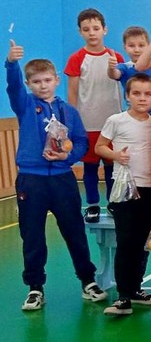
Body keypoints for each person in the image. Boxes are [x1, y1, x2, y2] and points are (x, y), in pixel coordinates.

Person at [6, 41, 107, 310]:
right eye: (36, 81)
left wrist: (68, 158)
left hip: (63, 179)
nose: (43, 86)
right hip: (32, 180)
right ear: (28, 84)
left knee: (75, 231)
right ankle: (35, 288)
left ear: (56, 80)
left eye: (47, 80)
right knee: (32, 235)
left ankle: (88, 281)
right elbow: (13, 88)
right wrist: (12, 64)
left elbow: (81, 142)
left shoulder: (69, 112)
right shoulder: (25, 106)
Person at [95, 74, 151, 315]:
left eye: (147, 94)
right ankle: (123, 295)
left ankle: (136, 289)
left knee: (143, 242)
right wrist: (116, 156)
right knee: (125, 241)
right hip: (124, 188)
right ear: (127, 96)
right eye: (136, 93)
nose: (142, 98)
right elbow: (99, 146)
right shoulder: (116, 120)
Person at [64, 8, 124, 222]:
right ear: (80, 32)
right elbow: (72, 92)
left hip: (112, 123)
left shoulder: (115, 57)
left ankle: (113, 203)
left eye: (96, 28)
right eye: (86, 29)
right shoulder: (76, 59)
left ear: (104, 30)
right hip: (87, 123)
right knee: (90, 167)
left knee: (111, 167)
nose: (92, 33)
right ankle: (92, 205)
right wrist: (72, 122)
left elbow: (124, 83)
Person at [107, 26, 151, 116]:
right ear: (125, 47)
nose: (136, 50)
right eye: (131, 46)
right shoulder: (125, 67)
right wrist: (111, 67)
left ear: (148, 46)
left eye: (141, 45)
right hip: (134, 116)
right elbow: (114, 75)